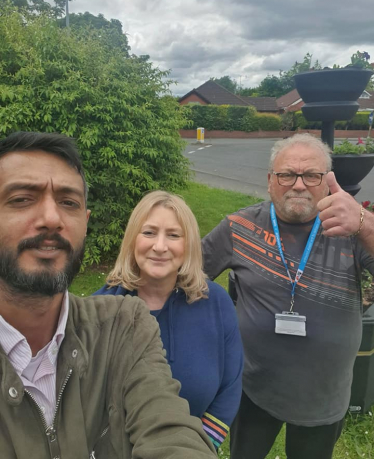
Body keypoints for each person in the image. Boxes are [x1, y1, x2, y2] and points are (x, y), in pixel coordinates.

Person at [0, 131, 218, 459]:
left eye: (68, 202)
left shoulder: (122, 325)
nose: (51, 219)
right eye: (21, 199)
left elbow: (169, 428)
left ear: (85, 223)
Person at [202, 133, 374, 459]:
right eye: (286, 174)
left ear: (327, 182)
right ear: (270, 181)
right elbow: (185, 277)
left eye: (311, 175)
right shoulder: (239, 228)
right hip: (253, 390)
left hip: (323, 397)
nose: (298, 185)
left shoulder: (349, 229)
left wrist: (364, 223)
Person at [94, 190, 243, 449]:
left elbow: (230, 386)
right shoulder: (101, 310)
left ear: (189, 246)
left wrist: (196, 448)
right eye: (149, 232)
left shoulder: (217, 303)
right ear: (132, 239)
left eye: (173, 235)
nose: (160, 246)